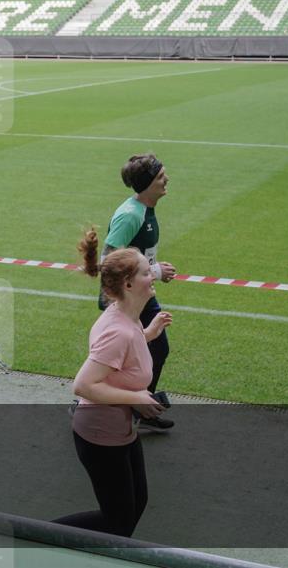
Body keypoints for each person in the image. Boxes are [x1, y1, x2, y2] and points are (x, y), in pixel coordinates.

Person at [53, 229, 172, 537]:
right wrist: (137, 398)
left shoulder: (127, 316)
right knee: (117, 521)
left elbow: (123, 354)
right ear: (128, 284)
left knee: (135, 506)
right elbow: (83, 385)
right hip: (100, 437)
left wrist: (148, 334)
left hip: (120, 431)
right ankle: (38, 536)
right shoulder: (118, 330)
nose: (153, 274)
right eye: (146, 272)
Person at [101, 153, 176, 432]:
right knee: (140, 351)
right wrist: (154, 272)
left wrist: (153, 268)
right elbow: (108, 262)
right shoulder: (130, 215)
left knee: (149, 350)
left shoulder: (145, 209)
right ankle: (110, 407)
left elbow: (136, 253)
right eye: (160, 177)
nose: (166, 179)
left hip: (140, 293)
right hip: (125, 298)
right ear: (147, 184)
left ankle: (137, 408)